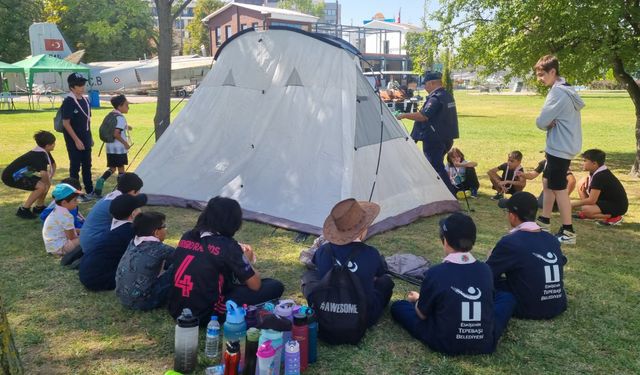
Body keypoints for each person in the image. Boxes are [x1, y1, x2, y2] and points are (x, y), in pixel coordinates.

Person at [390, 213, 515, 355]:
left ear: (445, 240)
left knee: (399, 306)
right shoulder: (485, 270)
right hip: (484, 342)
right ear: (473, 240)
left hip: (445, 342)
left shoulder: (436, 272)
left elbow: (422, 314)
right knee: (506, 298)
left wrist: (417, 300)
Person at [167, 197, 284, 323]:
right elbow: (255, 285)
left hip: (177, 309)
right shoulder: (227, 246)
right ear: (233, 221)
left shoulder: (187, 236)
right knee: (274, 286)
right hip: (207, 314)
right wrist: (246, 259)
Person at [301, 198, 395, 328]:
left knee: (309, 276)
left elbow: (317, 268)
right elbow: (379, 274)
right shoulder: (371, 253)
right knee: (386, 282)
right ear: (363, 229)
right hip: (363, 316)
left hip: (327, 311)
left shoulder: (322, 251)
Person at [489, 192, 567, 319]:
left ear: (513, 216)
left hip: (528, 308)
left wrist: (490, 255)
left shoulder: (510, 242)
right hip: (557, 304)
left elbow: (488, 274)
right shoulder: (551, 239)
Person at [534, 55, 585, 244]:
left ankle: (568, 232)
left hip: (559, 148)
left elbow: (541, 121)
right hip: (562, 146)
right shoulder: (566, 88)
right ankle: (544, 221)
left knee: (559, 189)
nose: (539, 78)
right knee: (547, 182)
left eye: (541, 74)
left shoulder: (558, 93)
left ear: (553, 72)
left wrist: (546, 124)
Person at [396, 71, 459, 194]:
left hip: (434, 138)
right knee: (436, 164)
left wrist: (404, 115)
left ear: (432, 83)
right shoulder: (447, 95)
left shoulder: (436, 97)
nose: (424, 87)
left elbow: (423, 116)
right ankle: (438, 190)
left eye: (425, 84)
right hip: (447, 137)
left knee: (435, 165)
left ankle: (450, 193)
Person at [79, 194, 147, 291]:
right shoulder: (130, 232)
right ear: (133, 214)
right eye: (139, 208)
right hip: (99, 279)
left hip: (87, 273)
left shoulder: (112, 226)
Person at [115, 211, 174, 310]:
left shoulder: (133, 242)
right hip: (145, 302)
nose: (166, 229)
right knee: (181, 265)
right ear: (156, 232)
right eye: (164, 226)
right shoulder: (161, 248)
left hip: (123, 297)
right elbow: (183, 257)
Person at [80, 172, 143, 256]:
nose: (138, 194)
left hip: (88, 241)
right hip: (94, 246)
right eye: (138, 192)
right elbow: (135, 224)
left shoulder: (112, 196)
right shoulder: (119, 203)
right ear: (132, 191)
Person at [2, 130, 57, 219]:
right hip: (11, 177)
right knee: (42, 186)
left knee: (45, 184)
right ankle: (24, 210)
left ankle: (39, 207)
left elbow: (53, 165)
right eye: (53, 143)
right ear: (47, 145)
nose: (55, 144)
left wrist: (49, 179)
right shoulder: (39, 156)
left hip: (21, 174)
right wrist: (46, 183)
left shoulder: (44, 151)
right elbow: (43, 174)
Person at [572, 149, 628, 226]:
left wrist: (572, 204)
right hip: (605, 201)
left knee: (586, 209)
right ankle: (587, 213)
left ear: (594, 163)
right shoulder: (596, 171)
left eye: (585, 161)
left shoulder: (600, 176)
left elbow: (591, 200)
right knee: (581, 183)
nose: (582, 163)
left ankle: (615, 217)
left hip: (617, 206)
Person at [61, 72, 94, 199]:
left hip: (85, 137)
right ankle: (75, 193)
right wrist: (76, 140)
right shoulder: (69, 101)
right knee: (75, 166)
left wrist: (89, 137)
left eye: (83, 84)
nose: (82, 87)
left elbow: (87, 120)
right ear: (72, 87)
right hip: (73, 139)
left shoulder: (85, 100)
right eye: (79, 85)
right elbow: (66, 123)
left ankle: (89, 190)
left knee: (87, 165)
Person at [94, 94, 133, 197]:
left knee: (112, 168)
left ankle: (100, 182)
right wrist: (126, 144)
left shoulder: (111, 114)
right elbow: (116, 133)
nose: (128, 106)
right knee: (121, 170)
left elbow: (113, 128)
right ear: (120, 106)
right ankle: (121, 192)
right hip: (119, 149)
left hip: (109, 147)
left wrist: (126, 127)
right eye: (126, 105)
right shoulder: (120, 118)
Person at [42, 183, 82, 256]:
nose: (77, 202)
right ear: (64, 203)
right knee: (87, 238)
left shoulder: (57, 210)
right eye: (75, 200)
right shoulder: (66, 216)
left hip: (52, 247)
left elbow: (68, 230)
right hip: (61, 248)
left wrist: (81, 231)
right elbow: (72, 237)